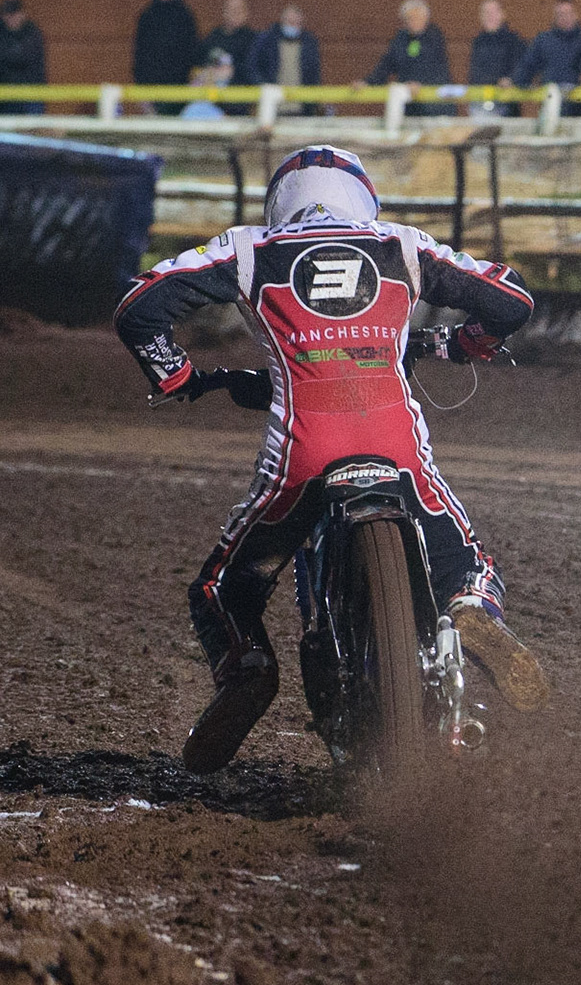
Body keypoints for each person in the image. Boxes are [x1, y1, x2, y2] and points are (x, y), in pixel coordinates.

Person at [113, 146, 552, 773]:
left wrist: (176, 375)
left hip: (304, 453)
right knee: (469, 564)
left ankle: (247, 667)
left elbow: (139, 307)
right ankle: (472, 612)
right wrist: (470, 340)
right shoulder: (401, 245)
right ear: (363, 198)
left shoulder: (249, 249)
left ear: (279, 203)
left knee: (221, 588)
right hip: (395, 445)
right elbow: (512, 301)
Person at [359, 0, 453, 116]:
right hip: (409, 105)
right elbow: (387, 64)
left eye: (418, 18)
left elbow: (433, 67)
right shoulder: (401, 38)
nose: (414, 22)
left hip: (434, 106)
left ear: (426, 18)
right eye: (410, 18)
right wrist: (367, 82)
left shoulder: (434, 37)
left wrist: (420, 82)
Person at [133, 0, 199, 114]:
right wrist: (140, 87)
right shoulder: (147, 16)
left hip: (180, 87)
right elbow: (139, 53)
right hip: (151, 87)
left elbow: (193, 51)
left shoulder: (185, 16)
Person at [243, 6, 322, 113]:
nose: (292, 26)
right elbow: (252, 67)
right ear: (282, 20)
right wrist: (263, 86)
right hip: (273, 105)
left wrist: (313, 101)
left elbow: (314, 73)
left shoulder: (309, 43)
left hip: (301, 106)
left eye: (296, 22)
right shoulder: (266, 41)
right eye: (289, 21)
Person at [503, 0, 581, 90]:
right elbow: (527, 66)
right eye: (560, 14)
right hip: (550, 95)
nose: (565, 17)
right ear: (554, 17)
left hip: (580, 96)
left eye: (569, 13)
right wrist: (513, 80)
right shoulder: (543, 40)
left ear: (576, 15)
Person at [468, 0, 526, 117]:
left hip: (508, 107)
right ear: (480, 17)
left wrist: (510, 79)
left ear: (502, 14)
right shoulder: (477, 42)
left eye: (494, 12)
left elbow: (523, 68)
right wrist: (497, 81)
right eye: (486, 13)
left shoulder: (515, 41)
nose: (490, 16)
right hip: (481, 104)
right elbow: (475, 74)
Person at [0, 0, 47, 114]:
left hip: (31, 91)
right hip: (5, 93)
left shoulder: (33, 32)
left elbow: (22, 57)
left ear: (22, 14)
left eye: (14, 14)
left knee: (33, 124)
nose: (11, 18)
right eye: (7, 14)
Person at [200, 0, 257, 86]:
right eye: (230, 9)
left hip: (240, 88)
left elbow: (254, 67)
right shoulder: (214, 36)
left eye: (238, 10)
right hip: (212, 86)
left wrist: (233, 71)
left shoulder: (253, 39)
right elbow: (201, 58)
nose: (234, 13)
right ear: (224, 13)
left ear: (246, 13)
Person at [180, 51, 235, 120]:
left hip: (207, 108)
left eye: (227, 66)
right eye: (219, 65)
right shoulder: (203, 73)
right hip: (198, 109)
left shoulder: (224, 81)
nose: (226, 69)